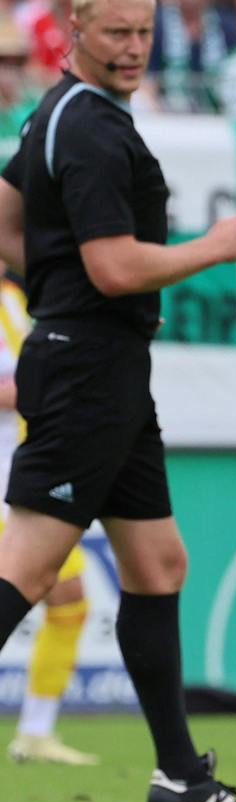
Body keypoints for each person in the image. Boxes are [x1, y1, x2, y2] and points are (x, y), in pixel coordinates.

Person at [0, 0, 236, 802]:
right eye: (116, 33)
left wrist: (40, 278)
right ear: (75, 30)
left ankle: (180, 779)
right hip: (88, 366)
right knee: (30, 567)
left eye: (144, 33)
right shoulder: (88, 128)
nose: (133, 49)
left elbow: (5, 214)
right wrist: (216, 245)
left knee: (158, 564)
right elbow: (114, 267)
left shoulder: (58, 114)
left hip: (103, 365)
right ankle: (181, 777)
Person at [1, 275, 97, 765]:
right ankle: (35, 731)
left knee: (69, 602)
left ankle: (36, 731)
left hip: (21, 478)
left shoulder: (13, 299)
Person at [148, 0, 236, 112]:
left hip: (218, 116)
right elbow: (148, 80)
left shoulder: (228, 27)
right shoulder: (156, 24)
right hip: (167, 115)